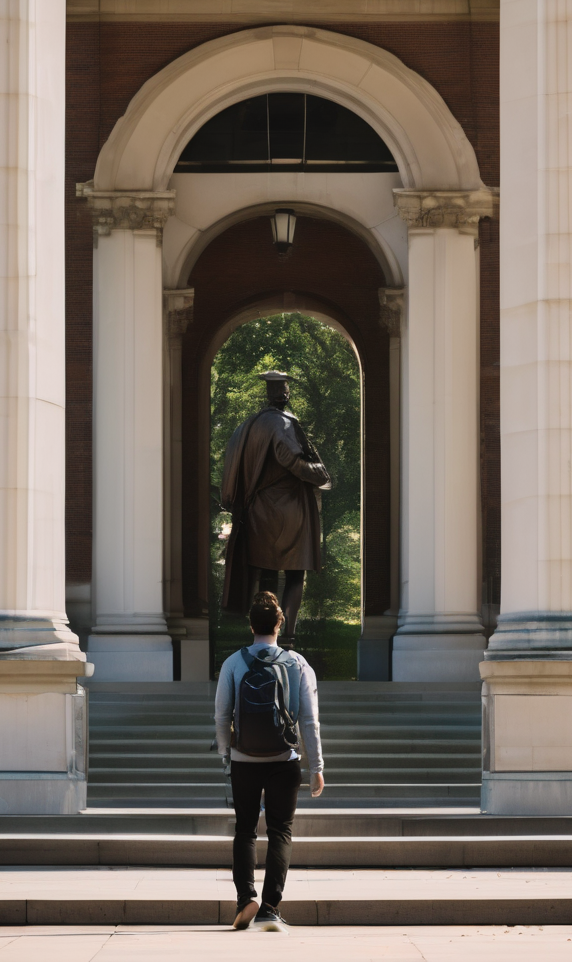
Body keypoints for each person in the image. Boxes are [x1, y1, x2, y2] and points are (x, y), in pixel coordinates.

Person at [215, 591, 324, 931]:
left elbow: (221, 716)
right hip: (284, 759)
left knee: (245, 830)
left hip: (244, 758)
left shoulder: (233, 663)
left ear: (250, 625)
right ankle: (270, 907)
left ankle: (245, 897)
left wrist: (225, 753)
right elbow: (309, 720)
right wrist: (317, 766)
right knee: (280, 832)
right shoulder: (298, 664)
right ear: (281, 623)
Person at [220, 371, 330, 645]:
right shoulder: (282, 423)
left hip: (257, 513)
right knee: (295, 574)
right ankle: (288, 636)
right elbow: (290, 458)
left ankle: (263, 634)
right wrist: (319, 474)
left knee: (265, 575)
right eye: (286, 391)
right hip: (287, 510)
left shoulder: (246, 427)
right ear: (283, 394)